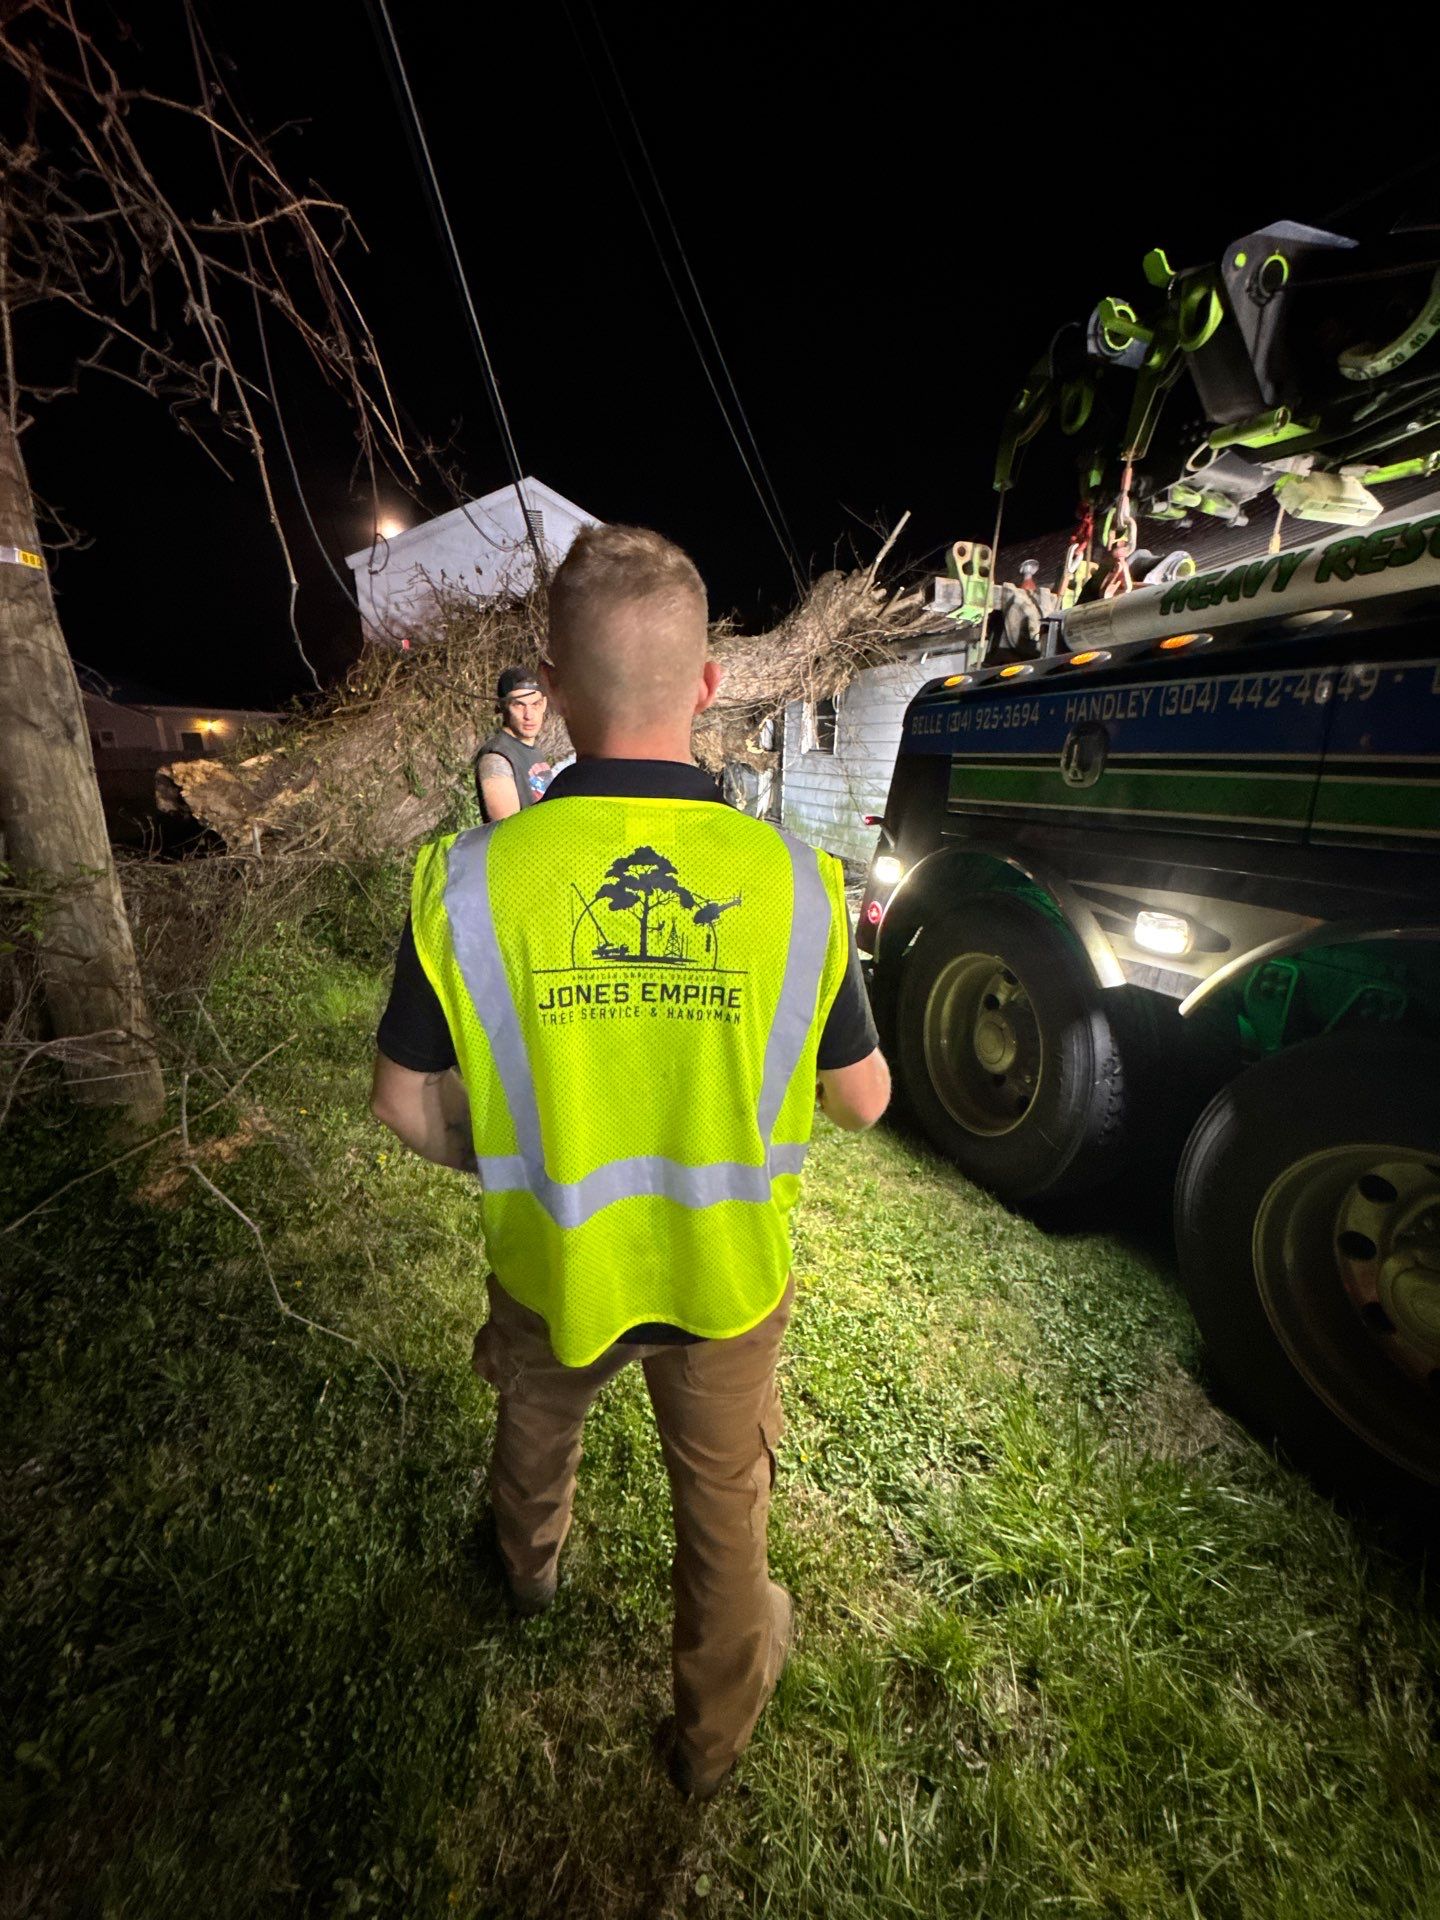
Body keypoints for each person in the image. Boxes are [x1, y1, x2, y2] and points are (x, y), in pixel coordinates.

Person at [370, 523, 890, 1799]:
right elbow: (865, 1102)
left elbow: (400, 1106)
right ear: (708, 684)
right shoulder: (801, 885)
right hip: (725, 1289)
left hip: (555, 1269)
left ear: (552, 681)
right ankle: (709, 1747)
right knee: (725, 1518)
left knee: (535, 1429)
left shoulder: (469, 882)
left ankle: (529, 1567)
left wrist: (513, 1168)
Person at [474, 667, 553, 820]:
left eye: (535, 704)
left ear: (544, 704)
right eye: (518, 705)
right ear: (503, 707)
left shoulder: (533, 751)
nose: (529, 715)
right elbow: (506, 829)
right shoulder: (497, 757)